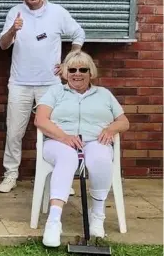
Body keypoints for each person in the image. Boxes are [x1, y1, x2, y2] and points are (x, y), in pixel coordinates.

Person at [0, 0, 85, 193]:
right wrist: (13, 30)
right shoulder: (14, 13)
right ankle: (10, 175)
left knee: (55, 130)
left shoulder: (57, 12)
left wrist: (69, 62)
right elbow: (3, 45)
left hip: (50, 84)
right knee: (14, 131)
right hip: (19, 83)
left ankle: (61, 175)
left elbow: (78, 33)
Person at [34, 51, 129, 247]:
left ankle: (97, 215)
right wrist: (64, 137)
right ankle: (53, 221)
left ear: (91, 72)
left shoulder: (104, 94)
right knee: (67, 157)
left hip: (95, 141)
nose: (77, 73)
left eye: (83, 69)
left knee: (101, 157)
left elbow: (123, 121)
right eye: (72, 69)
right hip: (58, 142)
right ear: (65, 72)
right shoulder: (55, 92)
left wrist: (111, 129)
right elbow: (40, 119)